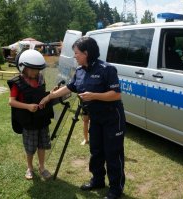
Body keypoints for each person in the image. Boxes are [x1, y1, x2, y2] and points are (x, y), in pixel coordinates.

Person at [39, 37, 126, 199]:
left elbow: (116, 94)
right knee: (96, 151)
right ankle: (98, 180)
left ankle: (116, 188)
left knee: (113, 153)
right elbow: (69, 88)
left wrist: (93, 95)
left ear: (86, 53)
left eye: (77, 53)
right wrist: (50, 96)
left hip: (112, 119)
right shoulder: (79, 71)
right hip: (95, 119)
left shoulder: (107, 69)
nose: (75, 57)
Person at [8, 49, 54, 180]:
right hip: (29, 121)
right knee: (30, 146)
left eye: (38, 69)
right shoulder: (17, 83)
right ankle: (29, 167)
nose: (36, 72)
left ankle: (42, 167)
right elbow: (11, 102)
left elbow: (41, 94)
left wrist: (51, 93)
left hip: (42, 119)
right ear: (23, 67)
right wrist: (27, 106)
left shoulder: (41, 79)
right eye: (33, 69)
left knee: (42, 144)